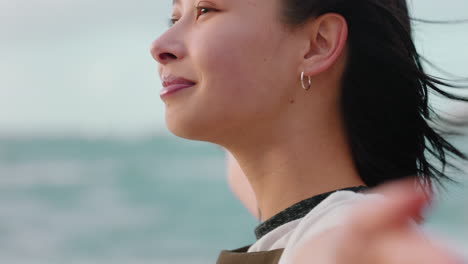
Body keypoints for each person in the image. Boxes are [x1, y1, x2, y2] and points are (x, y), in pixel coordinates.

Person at [150, 0, 467, 263]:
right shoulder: (289, 211)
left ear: (318, 44)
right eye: (175, 17)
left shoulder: (336, 233)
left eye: (205, 10)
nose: (159, 46)